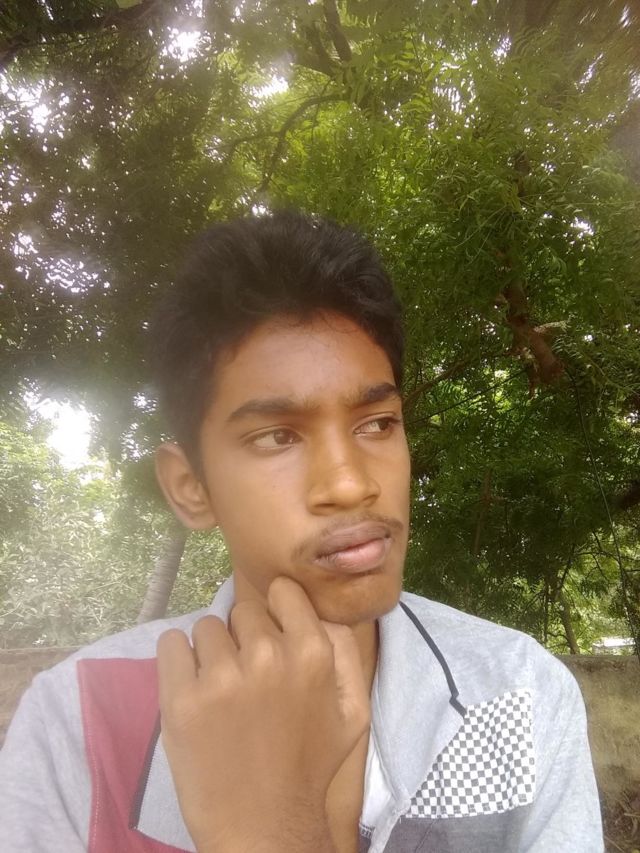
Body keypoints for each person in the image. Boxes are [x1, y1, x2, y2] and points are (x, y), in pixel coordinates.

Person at [0, 211, 602, 853]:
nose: (350, 484)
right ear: (191, 487)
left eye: (377, 423)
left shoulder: (517, 691)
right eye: (276, 437)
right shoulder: (80, 721)